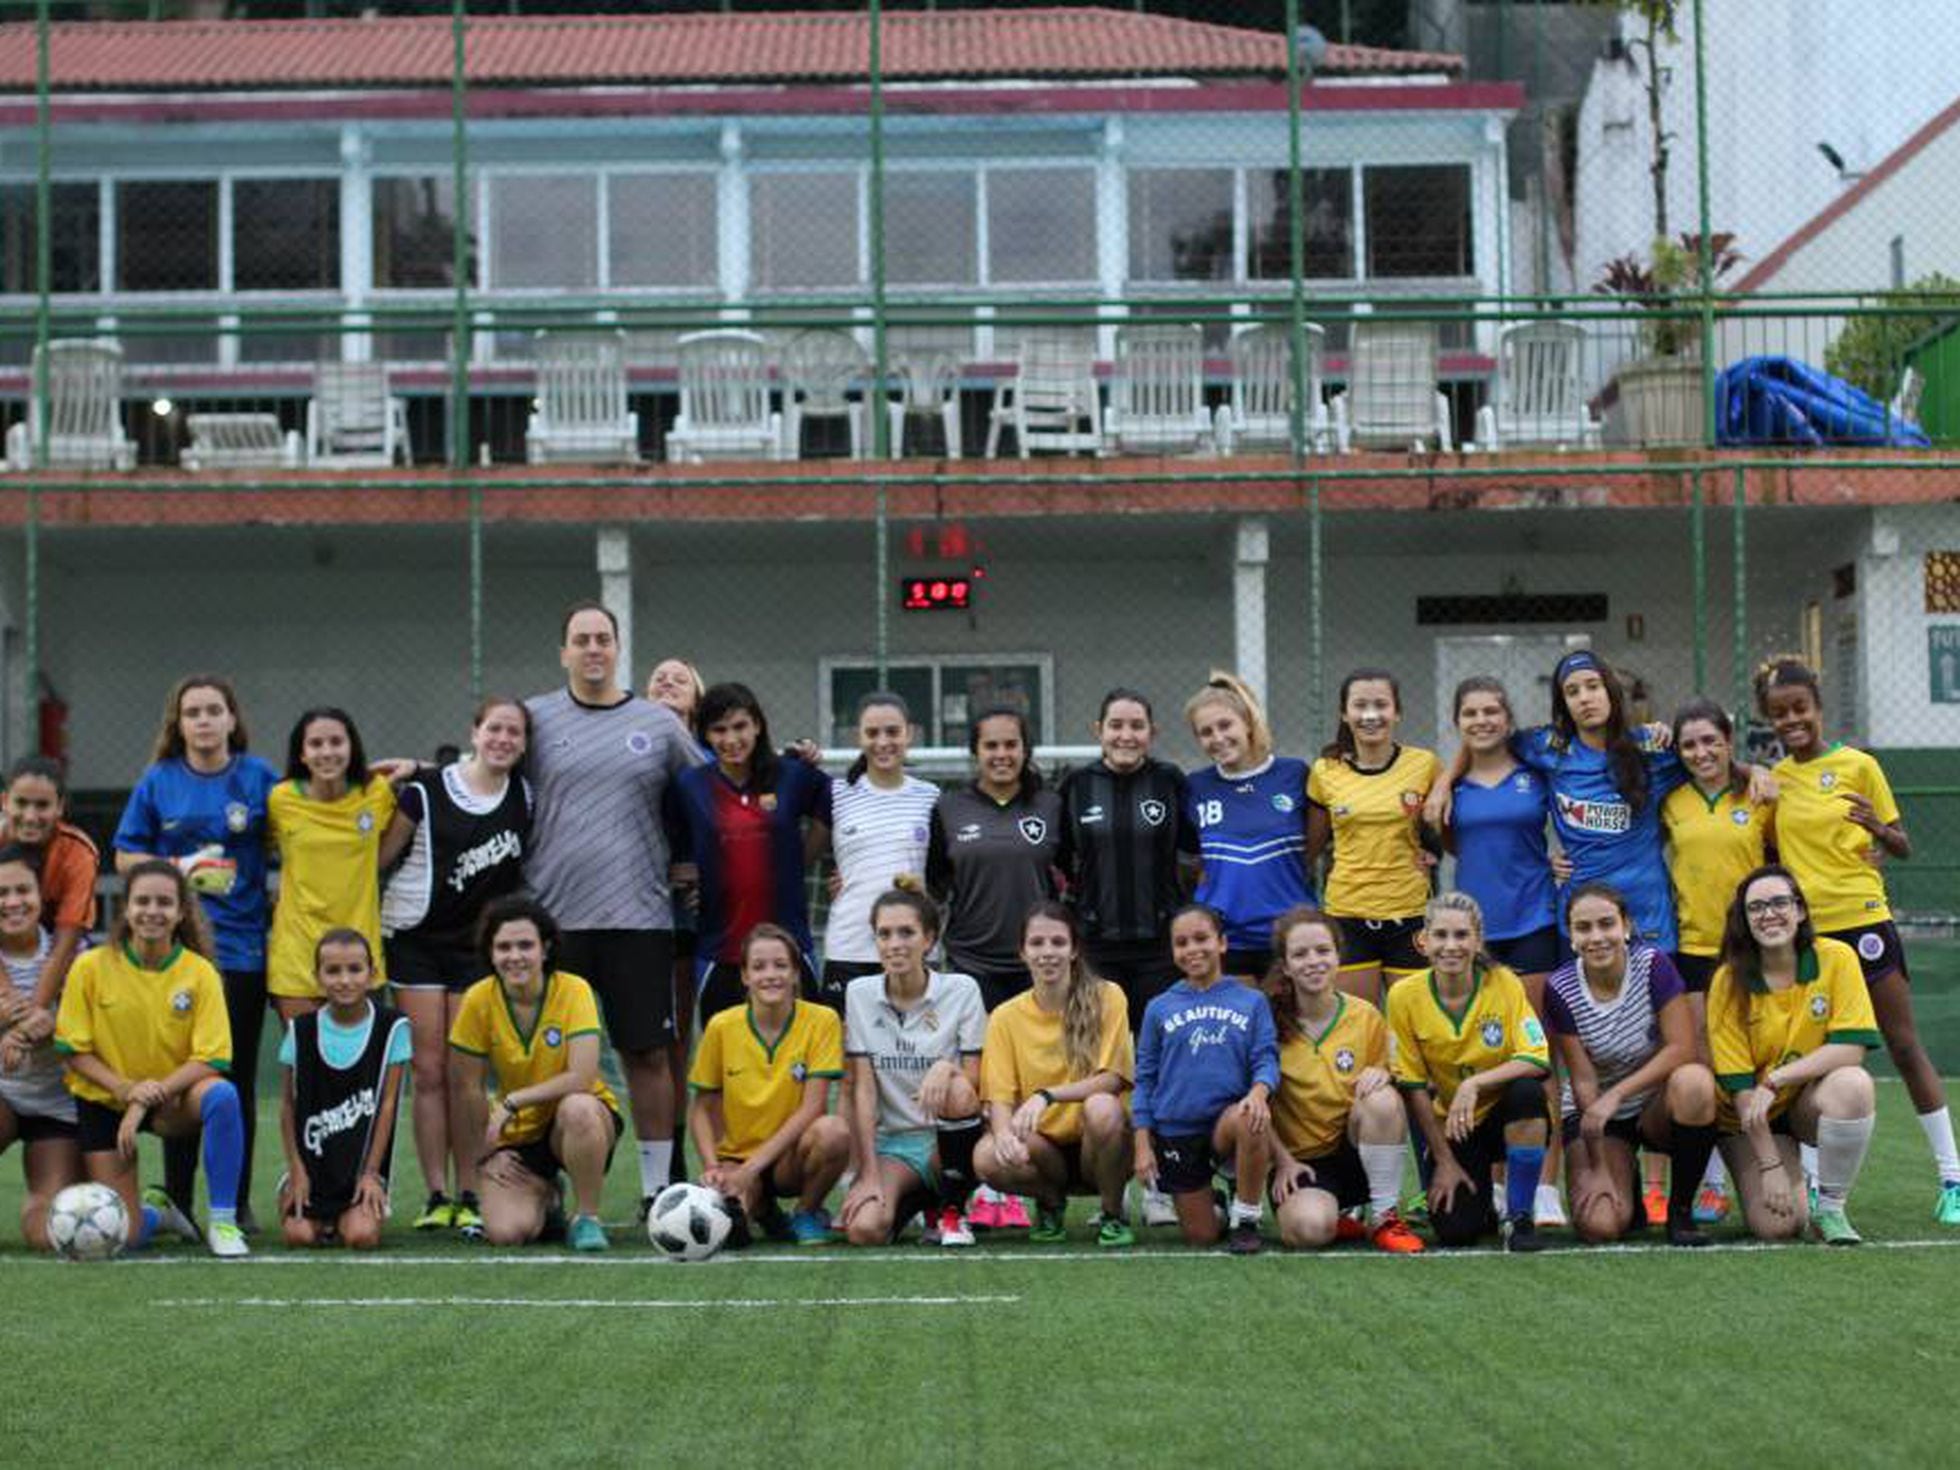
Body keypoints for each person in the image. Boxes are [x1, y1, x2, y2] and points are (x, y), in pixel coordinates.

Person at [1757, 657, 1959, 1225]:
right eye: (1779, 714)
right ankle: (1822, 1190)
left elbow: (1903, 846)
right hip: (1808, 934)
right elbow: (1769, 855)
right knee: (1814, 1058)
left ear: (1818, 708)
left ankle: (1953, 1179)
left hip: (1865, 920)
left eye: (1799, 709)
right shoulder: (1773, 781)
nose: (1791, 720)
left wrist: (1879, 830)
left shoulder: (1860, 765)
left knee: (1902, 1042)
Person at [525, 601, 702, 1220]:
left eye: (603, 638)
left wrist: (694, 861)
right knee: (546, 1058)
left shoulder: (656, 722)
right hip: (554, 920)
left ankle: (657, 1190)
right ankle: (539, 1184)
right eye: (582, 639)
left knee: (647, 1055)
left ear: (618, 647)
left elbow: (711, 792)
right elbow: (486, 770)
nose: (593, 648)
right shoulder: (536, 719)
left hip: (640, 917)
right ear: (564, 652)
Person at [113, 674, 278, 1230]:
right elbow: (125, 856)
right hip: (176, 956)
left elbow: (294, 831)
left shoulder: (258, 778)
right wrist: (183, 871)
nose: (204, 721)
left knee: (233, 1081)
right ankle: (178, 1197)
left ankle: (235, 1200)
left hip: (242, 952)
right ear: (177, 723)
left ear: (232, 719)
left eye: (214, 710)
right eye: (193, 712)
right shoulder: (159, 782)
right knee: (178, 1074)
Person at [378, 696, 531, 1237]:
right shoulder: (425, 792)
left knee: (466, 1075)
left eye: (514, 732)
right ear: (475, 731)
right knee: (428, 1071)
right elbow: (379, 857)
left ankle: (471, 1188)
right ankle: (436, 1192)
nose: (503, 739)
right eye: (495, 728)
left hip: (476, 950)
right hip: (416, 941)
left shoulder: (526, 795)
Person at [53, 860, 249, 1257]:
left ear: (180, 913)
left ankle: (225, 1224)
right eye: (142, 901)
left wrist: (145, 1098)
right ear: (126, 908)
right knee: (121, 1236)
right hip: (106, 1102)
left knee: (223, 1096)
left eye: (164, 902)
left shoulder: (200, 973)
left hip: (173, 1100)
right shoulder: (90, 967)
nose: (152, 911)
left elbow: (211, 1058)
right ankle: (160, 1213)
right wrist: (127, 1091)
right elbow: (74, 1050)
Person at [1432, 675, 1568, 1229]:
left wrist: (1562, 865)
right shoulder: (1453, 787)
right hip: (1475, 933)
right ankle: (1494, 1184)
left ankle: (1545, 1188)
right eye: (1471, 713)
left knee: (1535, 1057)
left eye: (1492, 711)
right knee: (1485, 1054)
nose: (1482, 720)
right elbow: (1446, 844)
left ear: (1508, 718)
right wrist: (1445, 781)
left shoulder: (1535, 773)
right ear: (1458, 722)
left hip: (1533, 920)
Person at [1708, 866, 1879, 1244]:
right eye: (1756, 908)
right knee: (1779, 1227)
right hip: (1749, 1118)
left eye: (1780, 902)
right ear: (1744, 920)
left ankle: (1831, 1208)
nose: (1769, 914)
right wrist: (1770, 1165)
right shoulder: (1728, 980)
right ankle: (1789, 1177)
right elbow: (1741, 1092)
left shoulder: (1838, 958)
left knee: (1853, 1085)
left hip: (1801, 1102)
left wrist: (1777, 1080)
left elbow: (1851, 1048)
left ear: (1800, 910)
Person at [1543, 883, 1719, 1247]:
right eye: (1584, 928)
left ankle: (1680, 1212)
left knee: (1695, 1082)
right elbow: (1583, 1081)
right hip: (1598, 1115)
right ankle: (1627, 1185)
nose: (1597, 937)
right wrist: (1600, 1167)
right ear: (1571, 937)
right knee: (1600, 1226)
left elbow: (1682, 1048)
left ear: (1625, 926)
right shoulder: (1560, 988)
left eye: (1606, 924)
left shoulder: (1654, 965)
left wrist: (1619, 1093)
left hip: (1655, 1106)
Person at [449, 896, 621, 1252]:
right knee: (506, 1234)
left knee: (578, 1107)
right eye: (504, 947)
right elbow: (468, 1088)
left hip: (579, 1120)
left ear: (545, 949)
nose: (515, 956)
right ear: (490, 953)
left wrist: (514, 1100)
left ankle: (587, 1217)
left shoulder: (574, 990)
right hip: (521, 1135)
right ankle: (547, 1196)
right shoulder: (478, 999)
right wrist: (488, 1152)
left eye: (525, 945)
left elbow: (582, 1077)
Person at [1388, 890, 1551, 1252]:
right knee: (1456, 1231)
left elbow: (1537, 1058)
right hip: (1455, 1128)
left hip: (1502, 1113)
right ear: (1423, 941)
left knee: (1528, 1094)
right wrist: (1443, 1161)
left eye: (1462, 935)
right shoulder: (1403, 996)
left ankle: (1519, 1216)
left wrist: (1475, 1083)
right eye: (1441, 935)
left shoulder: (1504, 982)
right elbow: (1413, 1087)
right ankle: (1483, 1209)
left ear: (1478, 941)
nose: (1451, 946)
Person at [1658, 697, 1768, 1225]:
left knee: (1762, 1054)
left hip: (1753, 947)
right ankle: (1712, 1183)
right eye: (1689, 744)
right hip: (1695, 949)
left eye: (1710, 740)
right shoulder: (1670, 800)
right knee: (1701, 1063)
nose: (1701, 752)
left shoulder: (1761, 793)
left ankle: (1793, 1169)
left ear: (1729, 740)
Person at [1258, 908, 1423, 1253]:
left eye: (1322, 950)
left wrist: (1384, 1074)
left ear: (1338, 955)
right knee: (1308, 1232)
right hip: (1302, 1163)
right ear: (1286, 966)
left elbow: (1395, 1091)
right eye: (1300, 954)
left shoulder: (1365, 1015)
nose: (1313, 961)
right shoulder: (1267, 1021)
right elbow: (1254, 1104)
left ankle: (1384, 1217)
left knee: (1382, 1098)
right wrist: (1282, 1160)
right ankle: (1333, 1217)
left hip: (1355, 1152)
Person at [974, 903, 1136, 1248]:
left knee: (1102, 1107)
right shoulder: (1005, 1016)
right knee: (986, 1155)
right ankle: (1049, 1203)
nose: (1048, 953)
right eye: (1037, 943)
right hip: (1043, 1150)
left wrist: (1047, 1095)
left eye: (1058, 943)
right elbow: (999, 1097)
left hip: (1101, 1147)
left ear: (1074, 949)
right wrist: (1003, 1135)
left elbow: (1113, 1079)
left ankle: (1112, 1212)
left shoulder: (1108, 996)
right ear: (1022, 951)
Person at [667, 682, 832, 1021]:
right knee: (731, 1062)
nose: (731, 739)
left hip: (789, 946)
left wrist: (797, 863)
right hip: (720, 950)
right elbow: (672, 837)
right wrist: (686, 873)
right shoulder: (690, 785)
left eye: (740, 726)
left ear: (757, 725)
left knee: (799, 1059)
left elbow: (828, 812)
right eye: (719, 730)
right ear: (706, 735)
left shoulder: (793, 775)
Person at [838, 890, 987, 1248]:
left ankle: (952, 1210)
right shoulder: (859, 993)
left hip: (953, 1137)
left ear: (930, 940)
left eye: (907, 932)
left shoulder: (962, 989)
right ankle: (919, 1202)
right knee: (865, 1230)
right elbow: (862, 1089)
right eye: (884, 934)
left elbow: (976, 1079)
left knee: (957, 1089)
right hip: (896, 1146)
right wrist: (868, 1174)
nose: (895, 944)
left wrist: (946, 1069)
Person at [688, 923, 849, 1246]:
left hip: (791, 1160)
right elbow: (700, 1110)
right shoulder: (721, 1026)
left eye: (780, 965)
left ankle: (805, 1212)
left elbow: (813, 1108)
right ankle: (762, 1210)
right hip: (736, 1159)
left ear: (795, 974)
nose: (770, 975)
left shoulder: (822, 1020)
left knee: (834, 1132)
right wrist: (712, 1166)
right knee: (728, 1231)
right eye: (758, 967)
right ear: (745, 976)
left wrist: (754, 1168)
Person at [1132, 904, 1278, 1254]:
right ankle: (1215, 1201)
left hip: (1227, 1120)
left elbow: (1267, 1058)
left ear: (1222, 943)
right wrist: (1141, 1143)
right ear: (1172, 951)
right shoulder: (1159, 1007)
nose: (1192, 949)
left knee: (1251, 1117)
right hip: (1178, 1129)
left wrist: (1259, 1092)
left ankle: (1246, 1218)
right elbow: (1145, 1077)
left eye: (1201, 938)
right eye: (1182, 943)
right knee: (1202, 1236)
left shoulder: (1252, 1001)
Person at [1056, 688, 1193, 1027]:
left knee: (1154, 1041)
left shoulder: (1169, 780)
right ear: (1098, 730)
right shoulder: (1077, 785)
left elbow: (1193, 849)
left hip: (1159, 943)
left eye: (1137, 726)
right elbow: (1060, 857)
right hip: (1096, 942)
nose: (1126, 736)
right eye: (1116, 726)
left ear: (1152, 732)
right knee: (1101, 1042)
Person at [1305, 668, 1440, 1007]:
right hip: (1348, 913)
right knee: (1358, 1024)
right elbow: (1312, 846)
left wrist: (1433, 850)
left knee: (1412, 1026)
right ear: (1344, 714)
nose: (1370, 715)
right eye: (1359, 705)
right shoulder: (1325, 771)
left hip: (1409, 913)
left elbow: (1442, 825)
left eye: (1380, 705)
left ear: (1397, 712)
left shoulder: (1424, 765)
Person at [276, 929, 410, 1250]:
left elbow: (387, 1105)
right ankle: (292, 1191)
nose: (345, 980)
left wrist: (371, 1174)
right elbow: (287, 1106)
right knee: (299, 1236)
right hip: (313, 1168)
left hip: (360, 1169)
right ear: (318, 977)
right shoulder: (301, 1030)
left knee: (361, 1236)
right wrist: (296, 1169)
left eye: (355, 969)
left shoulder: (393, 1028)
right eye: (333, 971)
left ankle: (352, 1209)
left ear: (372, 974)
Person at [926, 705, 1062, 1013]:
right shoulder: (949, 809)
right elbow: (936, 884)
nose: (1002, 754)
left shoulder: (1051, 805)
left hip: (1039, 960)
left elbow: (1072, 871)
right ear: (975, 751)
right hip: (971, 961)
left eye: (1011, 744)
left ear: (1026, 750)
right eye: (991, 745)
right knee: (981, 1058)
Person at [267, 707, 396, 1020]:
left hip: (360, 956)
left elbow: (450, 781)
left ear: (352, 748)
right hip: (296, 955)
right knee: (304, 1064)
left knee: (361, 1066)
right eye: (316, 744)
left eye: (337, 742)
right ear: (302, 754)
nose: (327, 752)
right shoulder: (280, 799)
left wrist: (416, 766)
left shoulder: (376, 793)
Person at [1182, 672, 1313, 978]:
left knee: (1290, 1026)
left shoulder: (1294, 774)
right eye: (1205, 732)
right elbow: (1192, 861)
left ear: (1248, 723)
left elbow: (1321, 840)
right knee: (1236, 1025)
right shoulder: (1194, 786)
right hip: (1225, 939)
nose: (1217, 738)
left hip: (1288, 934)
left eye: (1225, 725)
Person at [820, 691, 941, 1013]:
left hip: (912, 948)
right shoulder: (836, 793)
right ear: (858, 736)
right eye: (872, 733)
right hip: (850, 946)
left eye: (892, 731)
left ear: (909, 734)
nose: (883, 742)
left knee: (917, 1050)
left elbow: (944, 871)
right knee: (847, 1051)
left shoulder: (930, 797)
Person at [646, 654, 709, 1192]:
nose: (667, 680)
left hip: (697, 914)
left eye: (680, 676)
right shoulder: (633, 750)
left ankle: (697, 1151)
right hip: (637, 906)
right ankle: (662, 1157)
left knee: (686, 1040)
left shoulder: (714, 754)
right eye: (658, 676)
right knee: (653, 1040)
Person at [0, 847, 82, 1249]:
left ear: (40, 895)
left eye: (22, 891)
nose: (13, 902)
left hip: (56, 1104)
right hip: (3, 1099)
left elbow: (90, 1033)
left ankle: (155, 1213)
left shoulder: (73, 956)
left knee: (49, 1233)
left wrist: (49, 1027)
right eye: (1, 893)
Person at [2, 756, 99, 1055]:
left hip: (59, 946)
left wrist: (32, 1014)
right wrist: (6, 997)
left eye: (42, 806)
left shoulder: (78, 852)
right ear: (5, 801)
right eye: (21, 803)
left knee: (90, 972)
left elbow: (65, 944)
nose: (30, 816)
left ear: (60, 807)